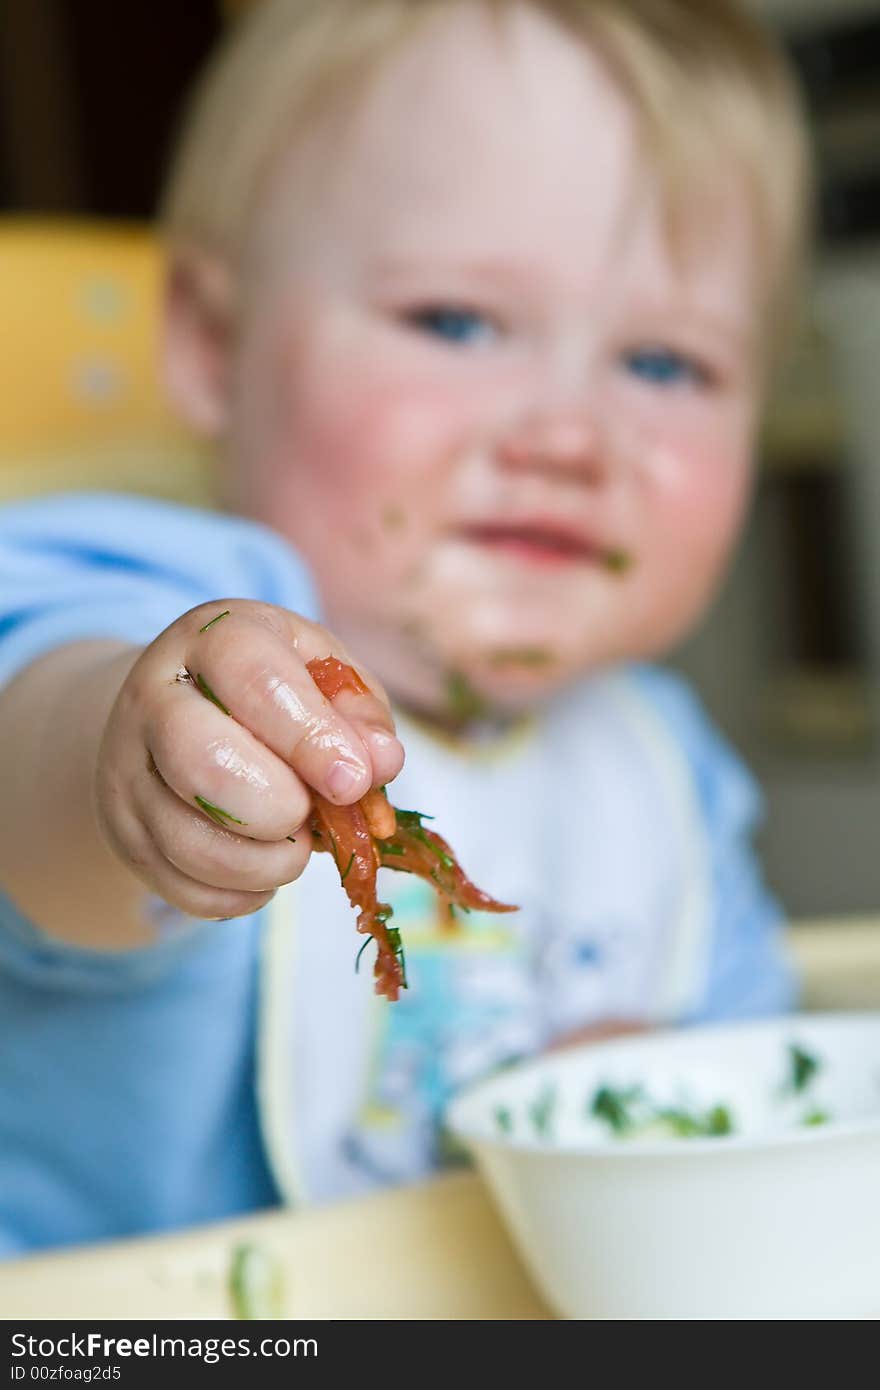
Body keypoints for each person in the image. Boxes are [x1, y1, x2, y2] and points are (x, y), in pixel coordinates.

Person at [0, 0, 811, 1253]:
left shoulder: (659, 767)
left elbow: (756, 1109)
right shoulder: (158, 593)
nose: (569, 436)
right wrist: (137, 749)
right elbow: (33, 779)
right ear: (217, 346)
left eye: (662, 365)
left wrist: (640, 1084)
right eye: (457, 322)